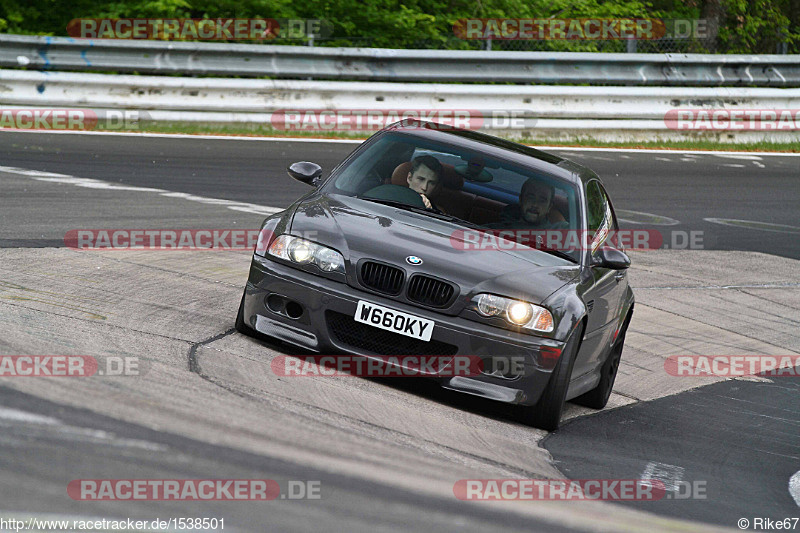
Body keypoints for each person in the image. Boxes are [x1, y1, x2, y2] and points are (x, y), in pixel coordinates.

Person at [490, 178, 569, 230]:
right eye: (531, 197)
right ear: (521, 200)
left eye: (542, 200)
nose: (535, 204)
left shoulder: (556, 238)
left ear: (549, 207)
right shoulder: (493, 230)